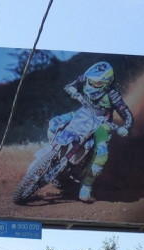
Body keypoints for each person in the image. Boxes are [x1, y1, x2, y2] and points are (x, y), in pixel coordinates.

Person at [46, 60, 134, 203]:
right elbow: (69, 86)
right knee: (54, 122)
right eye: (90, 82)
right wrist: (73, 91)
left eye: (97, 84)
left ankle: (86, 186)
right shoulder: (87, 78)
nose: (91, 85)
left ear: (107, 83)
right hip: (83, 113)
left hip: (102, 124)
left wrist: (125, 128)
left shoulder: (113, 95)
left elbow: (128, 115)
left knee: (102, 153)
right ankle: (52, 153)